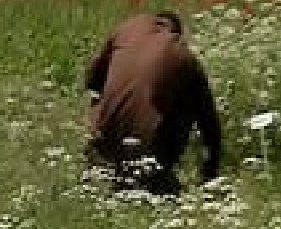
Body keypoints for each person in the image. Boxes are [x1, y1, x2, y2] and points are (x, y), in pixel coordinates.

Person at [85, 12, 222, 195]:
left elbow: (92, 81)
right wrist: (210, 176)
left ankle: (101, 166)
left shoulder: (127, 28)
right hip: (146, 150)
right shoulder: (183, 54)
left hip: (101, 144)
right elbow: (209, 124)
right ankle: (157, 177)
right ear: (176, 32)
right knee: (186, 100)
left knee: (100, 99)